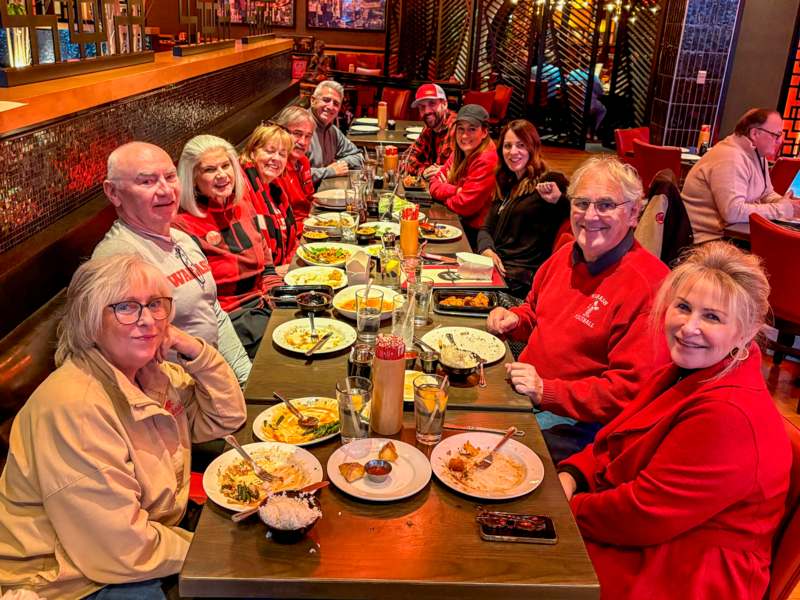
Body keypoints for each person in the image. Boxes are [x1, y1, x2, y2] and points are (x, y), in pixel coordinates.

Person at [0, 254, 246, 599]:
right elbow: (122, 551)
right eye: (126, 307)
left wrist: (191, 347)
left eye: (156, 305)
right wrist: (216, 550)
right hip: (70, 581)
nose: (147, 320)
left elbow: (225, 418)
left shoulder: (151, 375)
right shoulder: (76, 408)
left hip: (137, 544)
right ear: (90, 320)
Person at [558, 242, 791, 599]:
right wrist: (572, 474)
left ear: (746, 332)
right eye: (683, 307)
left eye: (711, 317)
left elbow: (643, 515)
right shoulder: (684, 371)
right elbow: (613, 440)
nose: (688, 327)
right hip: (648, 535)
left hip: (685, 571)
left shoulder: (729, 414)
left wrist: (563, 508)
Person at [487, 155, 670, 461]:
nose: (590, 215)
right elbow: (535, 312)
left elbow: (626, 393)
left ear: (634, 213)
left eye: (606, 205)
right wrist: (513, 319)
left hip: (579, 424)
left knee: (488, 458)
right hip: (527, 389)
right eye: (582, 203)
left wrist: (545, 390)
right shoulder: (565, 255)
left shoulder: (649, 287)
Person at [92, 141, 252, 386]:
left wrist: (246, 379)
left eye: (170, 176)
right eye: (147, 181)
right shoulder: (119, 260)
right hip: (178, 400)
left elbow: (212, 311)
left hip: (214, 382)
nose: (166, 190)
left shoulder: (181, 237)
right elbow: (129, 366)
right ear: (113, 193)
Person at [174, 134, 283, 357]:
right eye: (210, 170)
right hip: (231, 319)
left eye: (226, 166)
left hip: (264, 304)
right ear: (192, 178)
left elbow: (265, 258)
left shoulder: (242, 204)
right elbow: (201, 299)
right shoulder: (182, 225)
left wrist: (278, 294)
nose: (222, 175)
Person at [476, 119, 569, 298]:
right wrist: (486, 249)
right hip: (493, 269)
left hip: (519, 281)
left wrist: (559, 200)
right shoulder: (506, 181)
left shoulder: (550, 180)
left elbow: (578, 214)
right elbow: (485, 228)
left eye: (521, 145)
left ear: (532, 147)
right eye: (507, 146)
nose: (513, 152)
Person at [682, 108, 800, 243]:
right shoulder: (730, 157)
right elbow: (733, 212)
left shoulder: (757, 154)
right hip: (708, 241)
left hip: (732, 235)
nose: (780, 141)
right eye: (776, 135)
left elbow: (766, 193)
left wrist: (790, 204)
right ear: (755, 133)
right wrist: (782, 209)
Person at [429, 104, 498, 248]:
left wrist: (445, 195)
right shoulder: (460, 151)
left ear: (484, 132)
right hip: (459, 222)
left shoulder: (487, 159)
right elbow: (433, 184)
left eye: (472, 129)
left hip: (477, 235)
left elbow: (465, 205)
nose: (465, 135)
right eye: (461, 129)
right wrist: (455, 190)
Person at [240, 123, 299, 272]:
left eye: (282, 154)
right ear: (253, 152)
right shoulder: (242, 189)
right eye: (269, 151)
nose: (276, 158)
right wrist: (277, 272)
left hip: (285, 268)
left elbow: (292, 242)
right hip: (265, 277)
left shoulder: (275, 186)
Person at [307, 80, 364, 185]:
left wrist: (340, 164)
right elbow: (292, 174)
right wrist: (330, 171)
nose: (330, 107)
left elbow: (358, 156)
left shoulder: (332, 131)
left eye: (336, 103)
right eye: (326, 100)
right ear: (312, 100)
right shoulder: (299, 128)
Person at [273, 106, 316, 226]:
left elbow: (309, 199)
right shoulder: (276, 168)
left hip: (309, 221)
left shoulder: (304, 161)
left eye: (308, 136)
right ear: (281, 131)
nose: (303, 142)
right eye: (297, 134)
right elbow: (283, 220)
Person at [404, 83, 456, 179]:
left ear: (444, 104)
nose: (427, 111)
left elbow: (471, 168)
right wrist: (424, 171)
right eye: (422, 107)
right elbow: (407, 158)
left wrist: (447, 171)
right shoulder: (428, 128)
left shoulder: (458, 129)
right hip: (434, 189)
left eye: (432, 103)